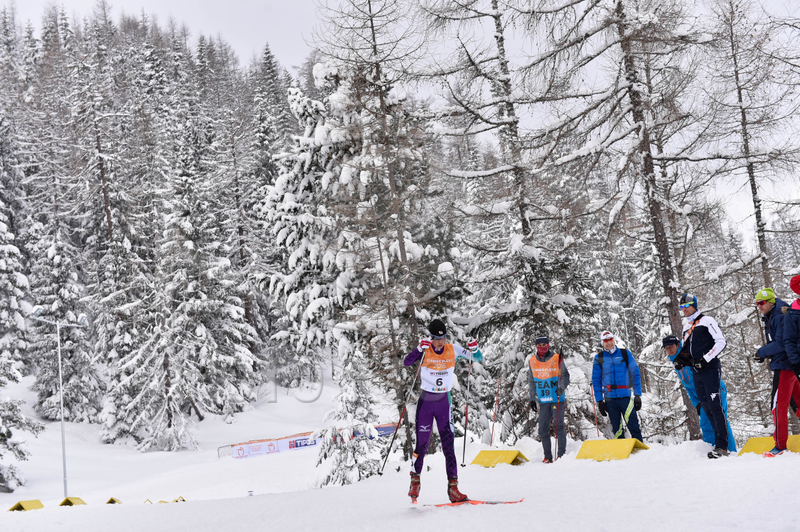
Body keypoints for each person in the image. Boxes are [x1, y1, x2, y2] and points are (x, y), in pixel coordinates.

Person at [404, 318, 482, 503]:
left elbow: (476, 358)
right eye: (436, 338)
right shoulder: (425, 350)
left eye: (443, 338)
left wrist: (475, 348)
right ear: (430, 338)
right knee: (421, 446)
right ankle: (415, 481)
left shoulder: (453, 349)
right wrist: (418, 349)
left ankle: (453, 488)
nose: (440, 342)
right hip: (426, 402)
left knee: (449, 447)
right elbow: (407, 362)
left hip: (443, 404)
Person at [672, 293, 729, 458]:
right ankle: (717, 445)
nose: (684, 309)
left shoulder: (707, 321)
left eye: (687, 306)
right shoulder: (686, 328)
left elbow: (721, 342)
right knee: (706, 408)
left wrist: (705, 359)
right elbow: (688, 350)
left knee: (715, 406)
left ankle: (723, 447)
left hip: (710, 369)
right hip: (696, 372)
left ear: (694, 305)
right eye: (681, 306)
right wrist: (680, 360)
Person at [663, 335, 736, 452]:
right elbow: (687, 386)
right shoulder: (677, 363)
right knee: (709, 424)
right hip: (702, 397)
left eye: (671, 346)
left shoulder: (688, 353)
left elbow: (705, 371)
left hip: (715, 389)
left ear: (677, 345)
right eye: (666, 348)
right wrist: (696, 403)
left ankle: (729, 451)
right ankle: (715, 450)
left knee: (718, 422)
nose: (669, 350)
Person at [755, 287, 800, 456]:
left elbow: (781, 343)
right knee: (798, 403)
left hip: (784, 364)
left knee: (777, 406)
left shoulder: (779, 316)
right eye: (757, 304)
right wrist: (766, 354)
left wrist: (761, 352)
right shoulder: (774, 314)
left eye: (762, 302)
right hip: (790, 363)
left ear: (771, 302)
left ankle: (780, 446)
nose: (759, 306)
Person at [592, 330, 643, 442]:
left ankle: (640, 449)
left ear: (614, 340)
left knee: (634, 426)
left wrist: (637, 395)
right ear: (602, 343)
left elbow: (635, 373)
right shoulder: (599, 358)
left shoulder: (625, 353)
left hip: (625, 397)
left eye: (610, 339)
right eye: (606, 341)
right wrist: (600, 401)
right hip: (610, 399)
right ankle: (621, 451)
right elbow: (596, 381)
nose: (609, 343)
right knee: (617, 430)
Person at [527, 335, 570, 463]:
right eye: (539, 345)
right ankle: (547, 457)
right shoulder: (532, 361)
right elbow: (531, 381)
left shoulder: (556, 358)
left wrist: (561, 388)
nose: (542, 347)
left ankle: (561, 455)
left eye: (544, 345)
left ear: (548, 344)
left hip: (557, 398)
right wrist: (532, 399)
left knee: (558, 426)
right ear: (536, 346)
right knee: (542, 429)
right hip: (543, 400)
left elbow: (565, 376)